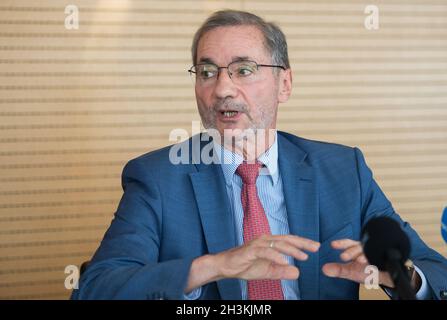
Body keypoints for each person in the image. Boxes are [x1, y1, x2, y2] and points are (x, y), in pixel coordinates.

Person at [72, 10, 447, 300]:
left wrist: (403, 277)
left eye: (244, 70)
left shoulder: (343, 171)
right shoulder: (157, 178)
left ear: (284, 83)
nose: (221, 89)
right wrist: (214, 266)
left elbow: (437, 272)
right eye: (206, 71)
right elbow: (96, 288)